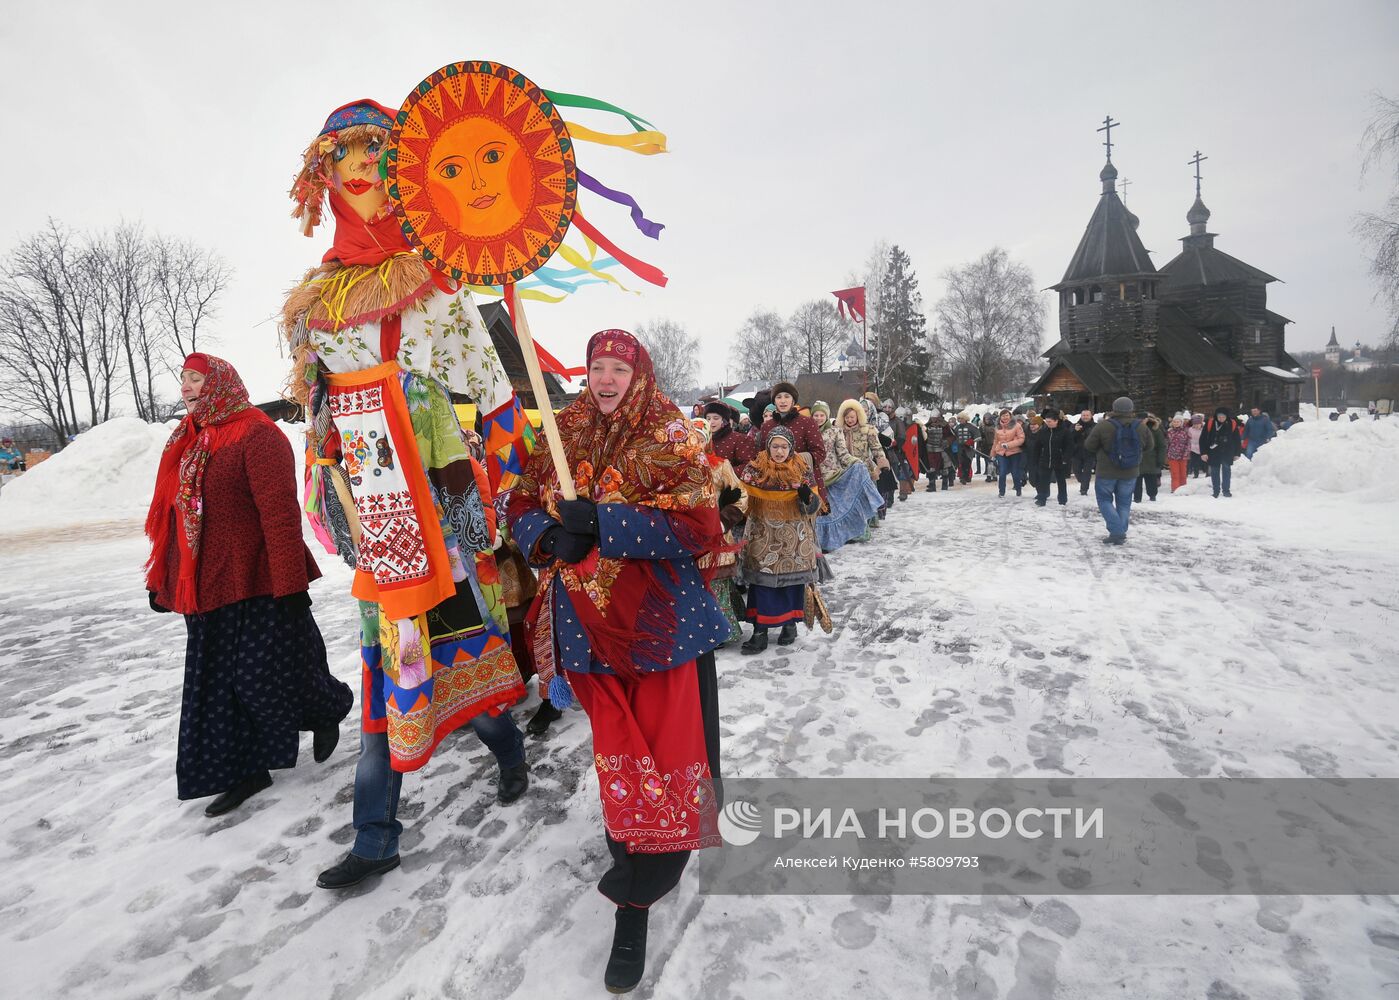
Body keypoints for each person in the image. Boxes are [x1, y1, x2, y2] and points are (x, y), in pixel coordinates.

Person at [280, 100, 532, 891]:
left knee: (455, 642)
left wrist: (504, 480)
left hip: (437, 483)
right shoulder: (313, 302)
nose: (357, 168)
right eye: (341, 156)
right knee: (390, 663)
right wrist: (331, 486)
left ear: (402, 170)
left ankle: (503, 739)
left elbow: (488, 390)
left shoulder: (436, 280)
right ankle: (376, 832)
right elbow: (316, 411)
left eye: (373, 151)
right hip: (373, 497)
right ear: (322, 178)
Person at [507, 330, 727, 994]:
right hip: (585, 626)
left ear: (638, 374)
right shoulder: (559, 429)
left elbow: (700, 528)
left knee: (667, 752)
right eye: (596, 367)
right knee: (620, 755)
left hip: (659, 626)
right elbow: (514, 501)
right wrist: (545, 534)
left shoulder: (670, 433)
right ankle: (629, 856)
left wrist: (606, 523)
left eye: (616, 369)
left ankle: (637, 898)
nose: (604, 379)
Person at [145, 354, 353, 817]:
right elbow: (177, 515)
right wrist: (163, 582)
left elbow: (279, 515)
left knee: (258, 677)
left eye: (196, 378)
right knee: (218, 685)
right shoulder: (187, 437)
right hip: (204, 586)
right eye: (183, 379)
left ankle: (325, 708)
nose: (187, 387)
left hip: (258, 578)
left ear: (220, 382)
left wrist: (291, 582)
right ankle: (246, 769)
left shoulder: (258, 435)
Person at [737, 426, 824, 653]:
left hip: (793, 538)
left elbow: (814, 507)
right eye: (775, 446)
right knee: (762, 584)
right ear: (767, 446)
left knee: (791, 584)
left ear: (791, 448)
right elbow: (741, 501)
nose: (779, 451)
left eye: (784, 446)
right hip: (762, 535)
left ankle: (789, 625)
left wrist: (807, 497)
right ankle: (760, 632)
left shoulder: (802, 470)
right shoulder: (754, 470)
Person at [693, 420, 748, 646]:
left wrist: (725, 520)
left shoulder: (720, 466)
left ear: (707, 440)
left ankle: (722, 632)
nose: (694, 443)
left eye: (699, 438)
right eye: (690, 437)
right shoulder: (675, 467)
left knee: (716, 584)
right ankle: (700, 631)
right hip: (688, 537)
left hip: (716, 535)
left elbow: (741, 494)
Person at [811, 400, 883, 551]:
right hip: (815, 478)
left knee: (836, 511)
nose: (818, 418)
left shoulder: (835, 431)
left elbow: (843, 454)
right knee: (820, 514)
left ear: (827, 415)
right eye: (816, 415)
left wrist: (856, 462)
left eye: (822, 415)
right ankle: (822, 542)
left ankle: (846, 536)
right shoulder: (809, 432)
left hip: (834, 475)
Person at [1084, 396, 1152, 544]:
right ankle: (1120, 531)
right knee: (1124, 503)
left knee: (1104, 500)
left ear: (1114, 408)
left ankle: (1117, 531)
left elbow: (1089, 445)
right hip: (1130, 471)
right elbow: (1149, 446)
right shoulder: (1140, 426)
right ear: (1131, 409)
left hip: (1106, 471)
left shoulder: (1103, 426)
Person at [757, 381, 827, 500]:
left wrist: (795, 461)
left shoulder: (807, 422)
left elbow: (820, 453)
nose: (783, 401)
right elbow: (762, 455)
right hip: (775, 485)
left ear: (793, 400)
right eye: (779, 397)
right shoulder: (767, 426)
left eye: (787, 396)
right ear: (774, 401)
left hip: (802, 483)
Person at [840, 399, 891, 525]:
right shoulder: (840, 431)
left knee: (865, 498)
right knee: (850, 499)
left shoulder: (868, 429)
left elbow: (876, 448)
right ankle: (854, 525)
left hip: (866, 469)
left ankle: (868, 523)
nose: (850, 420)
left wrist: (882, 463)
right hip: (847, 470)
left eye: (852, 417)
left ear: (858, 415)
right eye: (847, 417)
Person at [1027, 407, 1073, 506]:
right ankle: (1042, 499)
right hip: (1045, 459)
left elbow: (1069, 446)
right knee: (1043, 480)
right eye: (1046, 421)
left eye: (1050, 421)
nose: (1048, 423)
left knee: (1061, 480)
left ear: (1056, 421)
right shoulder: (1043, 432)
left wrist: (1066, 458)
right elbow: (1037, 446)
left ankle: (1062, 499)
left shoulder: (1064, 432)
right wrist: (1036, 458)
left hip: (1060, 460)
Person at [1199, 406, 1243, 498]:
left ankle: (1226, 490)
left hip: (1227, 451)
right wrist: (1203, 452)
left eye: (1223, 417)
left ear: (1227, 416)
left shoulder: (1232, 423)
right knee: (1214, 471)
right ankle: (1216, 491)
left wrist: (1237, 453)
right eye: (1219, 417)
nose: (1221, 418)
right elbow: (1202, 439)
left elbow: (1237, 439)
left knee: (1226, 470)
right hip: (1213, 451)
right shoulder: (1210, 423)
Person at [705, 401, 757, 468]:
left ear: (724, 420)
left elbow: (749, 466)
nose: (711, 422)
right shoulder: (703, 439)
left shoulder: (740, 439)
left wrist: (724, 473)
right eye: (708, 418)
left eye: (716, 418)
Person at [991, 409, 1026, 497]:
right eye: (1003, 416)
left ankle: (1018, 489)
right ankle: (1001, 492)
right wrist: (993, 454)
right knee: (1002, 472)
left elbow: (1021, 439)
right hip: (1001, 452)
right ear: (1000, 417)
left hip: (1014, 452)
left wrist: (1009, 445)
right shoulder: (997, 427)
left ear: (1010, 416)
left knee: (1015, 472)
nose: (1005, 417)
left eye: (1007, 415)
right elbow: (995, 441)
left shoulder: (1017, 425)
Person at [1133, 415, 1166, 502]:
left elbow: (1161, 446)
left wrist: (1160, 459)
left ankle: (1152, 496)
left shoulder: (1155, 429)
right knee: (1136, 479)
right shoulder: (1133, 428)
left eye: (1143, 419)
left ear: (1147, 419)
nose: (1141, 421)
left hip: (1152, 458)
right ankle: (1137, 497)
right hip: (1137, 458)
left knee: (1151, 479)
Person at [1071, 409, 1096, 495]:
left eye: (1087, 415)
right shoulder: (1075, 425)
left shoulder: (1095, 426)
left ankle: (1084, 489)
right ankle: (1083, 481)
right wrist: (1075, 431)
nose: (1085, 417)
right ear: (1081, 416)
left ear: (1091, 416)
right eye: (1083, 415)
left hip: (1090, 452)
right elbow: (1069, 438)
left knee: (1087, 472)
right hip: (1076, 452)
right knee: (1076, 470)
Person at [1165, 416, 1191, 492]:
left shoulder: (1185, 431)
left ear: (1181, 423)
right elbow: (1167, 444)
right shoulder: (1170, 432)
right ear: (1172, 423)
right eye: (1174, 422)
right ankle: (1175, 489)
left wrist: (1186, 453)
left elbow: (1188, 444)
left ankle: (1183, 489)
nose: (1176, 423)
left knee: (1183, 473)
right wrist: (1167, 453)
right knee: (1175, 473)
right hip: (1172, 456)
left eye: (1178, 422)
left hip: (1183, 456)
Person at [952, 411, 978, 484]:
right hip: (960, 448)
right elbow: (954, 436)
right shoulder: (957, 427)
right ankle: (962, 477)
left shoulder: (971, 427)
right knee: (961, 463)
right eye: (959, 419)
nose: (960, 420)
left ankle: (967, 476)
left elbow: (978, 436)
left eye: (961, 418)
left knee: (968, 462)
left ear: (965, 418)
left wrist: (971, 441)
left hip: (969, 448)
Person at [979, 413, 999, 482]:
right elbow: (980, 436)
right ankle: (994, 476)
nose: (986, 420)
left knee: (991, 461)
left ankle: (989, 476)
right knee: (988, 461)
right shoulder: (982, 427)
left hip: (993, 446)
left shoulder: (995, 427)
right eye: (985, 419)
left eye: (987, 419)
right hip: (985, 446)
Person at [1187, 413, 1206, 477]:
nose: (1196, 425)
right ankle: (1196, 474)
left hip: (1202, 447)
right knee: (1195, 462)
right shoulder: (1190, 429)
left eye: (1198, 424)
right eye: (1195, 424)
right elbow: (1188, 438)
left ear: (1201, 423)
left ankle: (1207, 472)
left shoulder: (1204, 429)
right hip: (1193, 448)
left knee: (1205, 460)